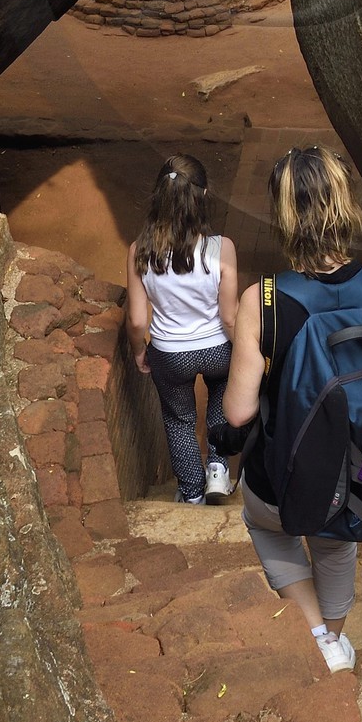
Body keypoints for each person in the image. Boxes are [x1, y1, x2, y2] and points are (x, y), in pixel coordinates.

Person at [223, 145, 362, 675]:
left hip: (279, 479)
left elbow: (238, 413)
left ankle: (317, 637)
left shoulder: (262, 300)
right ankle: (333, 637)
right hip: (358, 474)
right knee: (335, 545)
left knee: (268, 526)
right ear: (346, 204)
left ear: (283, 216)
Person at [126, 153, 238, 507]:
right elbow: (230, 317)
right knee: (221, 399)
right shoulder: (221, 248)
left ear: (159, 196)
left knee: (179, 420)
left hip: (170, 353)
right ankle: (218, 469)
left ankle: (191, 493)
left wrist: (139, 350)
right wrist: (244, 351)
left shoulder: (140, 252)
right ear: (203, 196)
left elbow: (137, 320)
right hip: (218, 349)